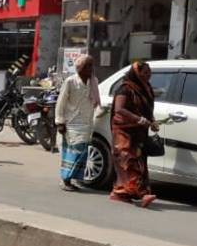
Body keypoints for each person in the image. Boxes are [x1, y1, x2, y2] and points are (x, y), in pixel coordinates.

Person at [110, 60, 160, 208]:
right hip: (124, 130)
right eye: (145, 73)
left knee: (140, 160)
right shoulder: (125, 89)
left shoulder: (146, 88)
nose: (148, 75)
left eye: (149, 73)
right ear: (136, 73)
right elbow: (119, 109)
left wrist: (152, 121)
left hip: (139, 131)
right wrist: (138, 119)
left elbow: (147, 109)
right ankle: (143, 194)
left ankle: (119, 192)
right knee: (129, 161)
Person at [54, 54, 100, 191]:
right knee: (73, 152)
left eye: (91, 66)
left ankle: (73, 179)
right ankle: (65, 180)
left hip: (87, 122)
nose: (90, 69)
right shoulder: (70, 81)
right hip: (72, 122)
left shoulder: (94, 81)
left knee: (82, 153)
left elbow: (96, 101)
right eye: (87, 66)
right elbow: (61, 102)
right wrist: (60, 122)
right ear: (79, 68)